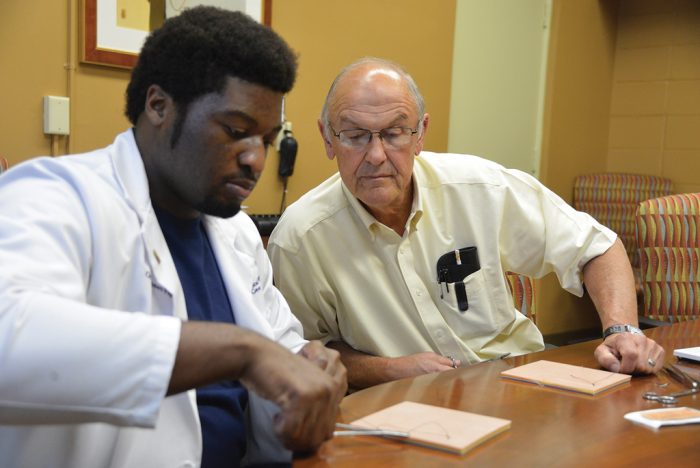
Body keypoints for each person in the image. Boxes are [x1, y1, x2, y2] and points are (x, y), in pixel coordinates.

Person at [0, 7, 346, 467]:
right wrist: (241, 352)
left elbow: (280, 348)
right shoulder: (56, 195)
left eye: (266, 138)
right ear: (158, 106)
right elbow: (11, 341)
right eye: (236, 131)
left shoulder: (235, 231)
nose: (256, 161)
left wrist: (312, 367)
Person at [267, 57, 665, 390]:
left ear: (420, 133)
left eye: (394, 133)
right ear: (327, 138)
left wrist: (622, 329)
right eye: (354, 136)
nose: (375, 155)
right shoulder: (301, 239)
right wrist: (388, 370)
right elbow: (302, 353)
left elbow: (596, 247)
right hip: (400, 404)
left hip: (520, 384)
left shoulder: (479, 188)